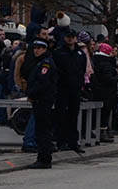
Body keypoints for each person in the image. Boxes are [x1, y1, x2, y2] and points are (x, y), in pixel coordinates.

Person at [53, 29, 87, 153]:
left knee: (73, 116)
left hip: (75, 89)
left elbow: (82, 70)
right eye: (68, 37)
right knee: (61, 116)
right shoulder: (58, 53)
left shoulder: (80, 53)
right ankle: (61, 141)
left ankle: (73, 142)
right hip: (62, 89)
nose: (70, 39)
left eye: (72, 37)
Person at [25, 40, 57, 169]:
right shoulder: (40, 62)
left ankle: (44, 158)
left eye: (39, 48)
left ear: (45, 49)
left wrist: (31, 94)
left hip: (43, 100)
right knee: (42, 130)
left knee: (42, 131)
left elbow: (42, 83)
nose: (36, 50)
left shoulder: (46, 64)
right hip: (41, 100)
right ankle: (43, 157)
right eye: (35, 48)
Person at [91, 42, 118, 143]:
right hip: (106, 93)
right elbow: (108, 78)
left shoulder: (97, 61)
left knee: (102, 113)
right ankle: (103, 132)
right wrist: (117, 78)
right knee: (105, 113)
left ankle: (101, 131)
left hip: (100, 92)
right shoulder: (106, 63)